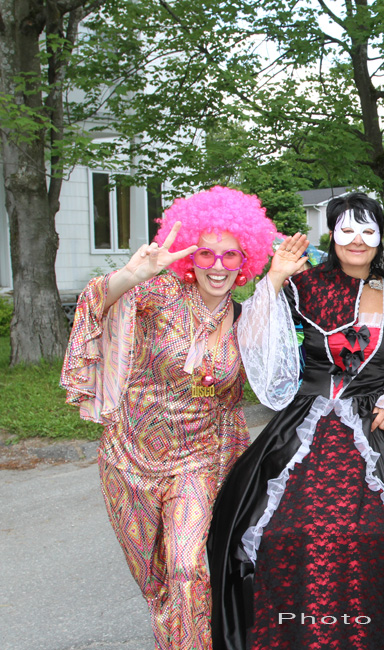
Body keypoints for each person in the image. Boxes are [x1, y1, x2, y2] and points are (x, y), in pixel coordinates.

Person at [61, 186, 277, 650]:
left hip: (198, 461)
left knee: (187, 568)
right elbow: (94, 306)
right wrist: (130, 275)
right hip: (127, 457)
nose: (217, 266)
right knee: (155, 581)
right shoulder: (156, 293)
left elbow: (273, 373)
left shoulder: (245, 319)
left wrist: (277, 281)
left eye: (230, 256)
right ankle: (174, 639)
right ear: (189, 257)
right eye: (206, 254)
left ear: (246, 260)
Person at [207, 193, 384, 650]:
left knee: (381, 531)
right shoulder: (304, 284)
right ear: (331, 233)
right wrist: (274, 279)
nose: (357, 240)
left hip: (368, 427)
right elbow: (259, 345)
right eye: (347, 229)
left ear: (381, 235)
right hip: (303, 425)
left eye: (368, 230)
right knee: (282, 531)